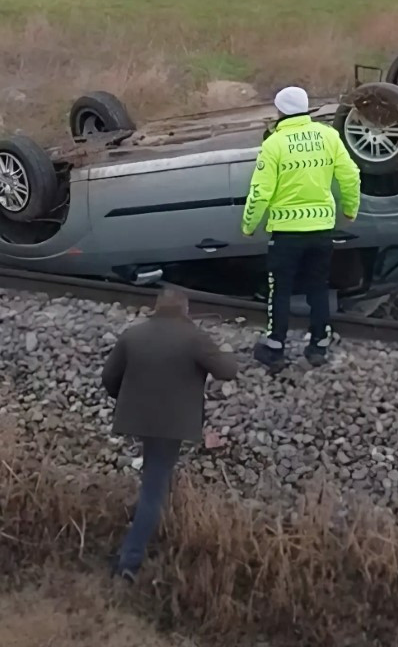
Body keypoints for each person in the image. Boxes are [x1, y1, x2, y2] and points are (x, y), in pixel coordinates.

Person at [102, 287, 238, 581]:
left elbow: (109, 378)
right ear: (185, 310)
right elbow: (227, 371)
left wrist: (128, 401)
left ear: (156, 307)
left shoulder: (133, 335)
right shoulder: (194, 338)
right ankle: (129, 562)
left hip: (137, 419)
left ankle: (145, 530)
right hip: (172, 425)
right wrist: (224, 350)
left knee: (153, 477)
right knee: (154, 488)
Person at [242, 85, 361, 370]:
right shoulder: (329, 136)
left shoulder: (274, 144)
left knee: (280, 290)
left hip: (286, 232)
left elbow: (260, 191)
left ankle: (275, 348)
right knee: (318, 287)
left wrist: (249, 224)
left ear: (281, 110)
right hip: (321, 229)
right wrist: (350, 209)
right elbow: (351, 176)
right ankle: (318, 345)